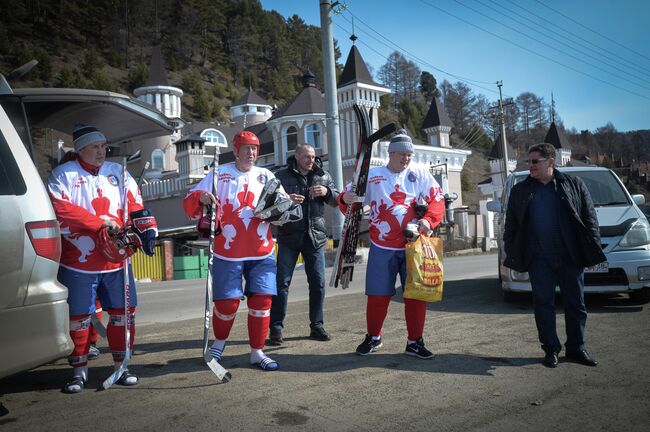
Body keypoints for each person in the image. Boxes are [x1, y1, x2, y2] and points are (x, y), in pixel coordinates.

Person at [47, 124, 157, 393]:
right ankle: (78, 370)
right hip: (79, 261)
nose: (101, 151)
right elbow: (59, 209)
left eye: (103, 146)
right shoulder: (63, 174)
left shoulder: (118, 172)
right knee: (79, 318)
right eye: (95, 146)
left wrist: (147, 228)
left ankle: (122, 366)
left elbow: (135, 205)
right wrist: (98, 223)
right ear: (81, 149)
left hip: (117, 260)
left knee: (124, 315)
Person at [183, 130, 291, 371]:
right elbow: (192, 197)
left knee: (262, 302)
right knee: (227, 304)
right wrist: (203, 197)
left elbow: (282, 207)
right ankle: (219, 344)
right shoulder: (218, 174)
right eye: (246, 148)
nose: (251, 153)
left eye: (254, 148)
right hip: (227, 252)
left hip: (261, 250)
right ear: (235, 150)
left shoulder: (266, 175)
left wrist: (283, 208)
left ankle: (257, 351)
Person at [339, 129, 445, 358]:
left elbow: (438, 200)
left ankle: (415, 341)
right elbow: (349, 197)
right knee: (378, 295)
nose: (406, 158)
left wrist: (428, 220)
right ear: (391, 154)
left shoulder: (420, 173)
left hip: (414, 246)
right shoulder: (373, 174)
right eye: (401, 154)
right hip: (382, 245)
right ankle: (373, 337)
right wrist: (344, 198)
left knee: (416, 294)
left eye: (409, 154)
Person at [503, 143, 605, 368]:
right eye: (528, 162)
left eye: (535, 161)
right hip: (539, 258)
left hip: (570, 256)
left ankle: (577, 348)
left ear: (551, 162)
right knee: (543, 305)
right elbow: (510, 225)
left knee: (575, 304)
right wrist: (512, 248)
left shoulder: (573, 184)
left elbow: (590, 220)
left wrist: (591, 252)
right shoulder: (521, 190)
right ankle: (551, 350)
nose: (530, 166)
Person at [269, 144, 339, 345]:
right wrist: (287, 200)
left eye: (313, 157)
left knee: (317, 283)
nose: (311, 160)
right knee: (281, 284)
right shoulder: (281, 176)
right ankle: (276, 329)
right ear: (297, 156)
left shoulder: (323, 176)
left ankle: (317, 326)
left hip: (315, 238)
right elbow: (269, 203)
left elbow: (337, 200)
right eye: (307, 156)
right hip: (289, 237)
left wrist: (326, 191)